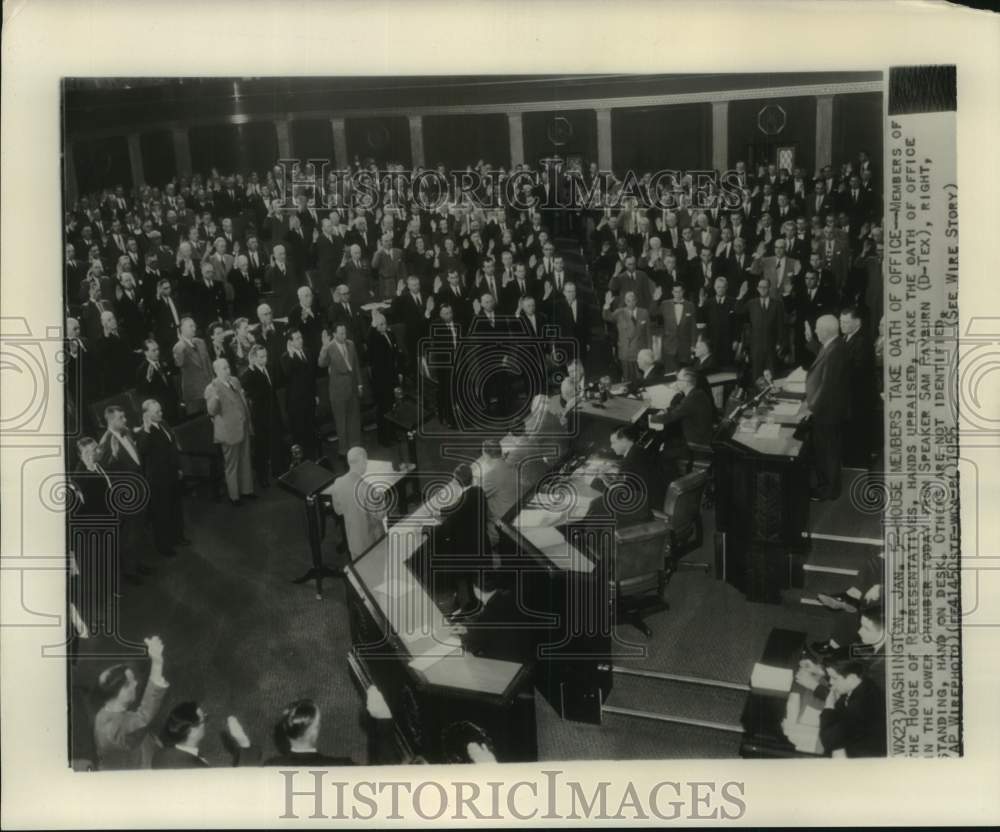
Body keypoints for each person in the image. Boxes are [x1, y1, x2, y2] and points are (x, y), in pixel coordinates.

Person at [93, 636, 170, 770]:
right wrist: (157, 663)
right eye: (131, 683)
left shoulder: (105, 714)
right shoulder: (113, 728)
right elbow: (143, 718)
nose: (136, 683)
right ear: (120, 691)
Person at [264, 688, 394, 766]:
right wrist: (383, 719)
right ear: (314, 733)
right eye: (318, 723)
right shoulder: (342, 766)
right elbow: (382, 781)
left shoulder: (270, 766)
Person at [99, 405, 153, 586]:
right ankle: (129, 571)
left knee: (138, 530)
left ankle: (138, 563)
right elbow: (107, 476)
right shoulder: (106, 443)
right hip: (127, 496)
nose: (125, 420)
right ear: (111, 421)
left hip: (139, 489)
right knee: (129, 534)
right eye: (121, 418)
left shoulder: (126, 432)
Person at [135, 399, 188, 558]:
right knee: (161, 513)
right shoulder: (144, 432)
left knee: (175, 507)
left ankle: (178, 537)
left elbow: (173, 447)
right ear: (147, 414)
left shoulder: (164, 423)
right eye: (157, 412)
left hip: (171, 473)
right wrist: (146, 428)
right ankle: (164, 546)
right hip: (157, 479)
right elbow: (143, 450)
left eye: (160, 410)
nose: (161, 413)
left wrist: (178, 468)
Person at [805, 314, 848, 501]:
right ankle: (826, 485)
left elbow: (827, 385)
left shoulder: (836, 350)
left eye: (816, 328)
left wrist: (811, 407)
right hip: (826, 409)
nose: (815, 331)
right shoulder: (831, 345)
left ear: (825, 330)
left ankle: (829, 490)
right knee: (824, 449)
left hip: (827, 411)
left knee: (828, 451)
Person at [650, 367, 715, 483]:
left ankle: (675, 483)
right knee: (668, 443)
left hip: (695, 444)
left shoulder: (692, 398)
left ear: (685, 383)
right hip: (699, 437)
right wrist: (666, 410)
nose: (676, 382)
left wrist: (650, 418)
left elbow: (670, 417)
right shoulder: (697, 393)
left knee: (661, 456)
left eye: (678, 379)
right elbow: (678, 409)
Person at [205, 358, 255, 506]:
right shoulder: (212, 388)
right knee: (231, 465)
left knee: (245, 460)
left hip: (243, 426)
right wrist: (215, 397)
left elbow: (242, 400)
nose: (228, 371)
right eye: (224, 369)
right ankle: (234, 497)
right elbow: (212, 411)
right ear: (216, 371)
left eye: (228, 367)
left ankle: (247, 490)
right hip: (228, 431)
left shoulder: (234, 381)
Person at [816, 656, 887, 758]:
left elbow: (828, 741)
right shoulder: (864, 683)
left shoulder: (860, 707)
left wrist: (829, 707)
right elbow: (842, 706)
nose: (831, 682)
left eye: (834, 678)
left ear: (852, 678)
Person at [330, 446, 388, 561]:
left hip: (353, 540)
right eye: (365, 462)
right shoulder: (367, 488)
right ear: (361, 461)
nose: (366, 465)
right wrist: (381, 497)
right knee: (377, 573)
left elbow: (338, 511)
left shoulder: (338, 483)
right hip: (371, 541)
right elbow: (381, 514)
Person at [153, 705, 256, 769]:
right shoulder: (197, 770)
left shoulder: (159, 755)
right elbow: (238, 788)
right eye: (204, 719)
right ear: (193, 731)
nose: (206, 723)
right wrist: (243, 742)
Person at [318, 322, 364, 457]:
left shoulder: (351, 344)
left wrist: (360, 384)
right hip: (338, 391)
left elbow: (356, 365)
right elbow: (321, 363)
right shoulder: (330, 347)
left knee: (354, 419)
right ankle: (344, 451)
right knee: (341, 422)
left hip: (352, 388)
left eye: (345, 332)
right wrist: (324, 348)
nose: (344, 336)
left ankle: (356, 447)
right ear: (334, 334)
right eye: (341, 333)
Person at [241, 345, 281, 487]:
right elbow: (249, 393)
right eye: (261, 357)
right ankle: (262, 478)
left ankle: (278, 471)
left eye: (265, 356)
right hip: (260, 416)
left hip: (273, 411)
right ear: (253, 358)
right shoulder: (249, 374)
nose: (264, 359)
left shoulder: (269, 368)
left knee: (276, 442)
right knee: (261, 448)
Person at [472, 439, 518, 550]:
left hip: (500, 527)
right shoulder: (509, 465)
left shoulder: (491, 475)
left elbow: (475, 496)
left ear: (486, 455)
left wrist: (475, 482)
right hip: (513, 516)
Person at [280, 328, 318, 459]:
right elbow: (287, 374)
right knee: (299, 433)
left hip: (309, 398)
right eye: (296, 338)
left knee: (311, 429)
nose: (300, 340)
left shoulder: (308, 352)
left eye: (300, 337)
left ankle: (314, 458)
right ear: (290, 342)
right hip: (295, 403)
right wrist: (291, 355)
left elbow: (313, 376)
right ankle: (303, 462)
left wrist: (316, 394)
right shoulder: (286, 357)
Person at [366, 311, 403, 445]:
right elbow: (369, 338)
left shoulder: (391, 335)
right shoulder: (374, 338)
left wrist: (399, 372)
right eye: (380, 324)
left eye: (384, 323)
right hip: (381, 380)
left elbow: (396, 356)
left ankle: (392, 434)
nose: (383, 326)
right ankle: (384, 439)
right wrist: (372, 325)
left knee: (393, 406)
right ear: (376, 326)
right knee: (383, 409)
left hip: (392, 377)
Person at [742, 276, 786, 382]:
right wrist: (741, 296)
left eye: (765, 287)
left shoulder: (777, 304)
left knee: (772, 376)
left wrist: (780, 343)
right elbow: (744, 322)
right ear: (757, 288)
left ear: (769, 288)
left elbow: (781, 325)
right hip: (755, 347)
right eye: (760, 287)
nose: (763, 289)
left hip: (771, 346)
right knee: (757, 377)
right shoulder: (751, 304)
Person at [602, 289, 650, 383]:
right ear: (625, 301)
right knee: (627, 379)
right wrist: (607, 305)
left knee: (641, 379)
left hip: (640, 352)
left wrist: (649, 350)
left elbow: (648, 333)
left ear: (636, 300)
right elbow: (607, 317)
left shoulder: (644, 312)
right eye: (628, 301)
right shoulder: (619, 312)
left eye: (633, 300)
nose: (631, 303)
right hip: (625, 352)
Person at [172, 316, 213, 415]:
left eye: (194, 325)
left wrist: (213, 382)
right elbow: (179, 363)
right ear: (183, 329)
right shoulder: (178, 347)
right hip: (194, 394)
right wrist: (181, 346)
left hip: (209, 389)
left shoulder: (201, 342)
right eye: (191, 326)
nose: (194, 328)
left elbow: (208, 364)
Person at [134, 338, 179, 424]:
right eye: (153, 350)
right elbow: (142, 391)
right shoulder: (142, 370)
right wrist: (148, 379)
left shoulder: (163, 362)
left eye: (158, 349)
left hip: (173, 403)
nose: (157, 352)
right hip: (159, 409)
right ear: (146, 352)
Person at [656, 282, 698, 371]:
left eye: (680, 291)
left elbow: (693, 327)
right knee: (670, 375)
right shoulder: (664, 304)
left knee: (685, 374)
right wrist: (655, 300)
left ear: (683, 292)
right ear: (672, 292)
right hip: (669, 347)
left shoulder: (690, 305)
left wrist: (693, 344)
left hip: (685, 347)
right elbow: (652, 314)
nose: (678, 294)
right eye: (675, 292)